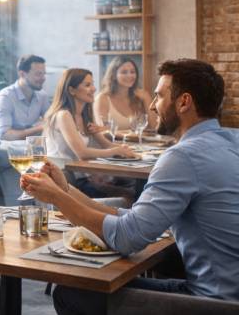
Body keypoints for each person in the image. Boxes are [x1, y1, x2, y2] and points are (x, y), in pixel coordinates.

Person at [21, 59, 239, 314]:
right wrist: (66, 191)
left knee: (73, 293)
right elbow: (135, 221)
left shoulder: (183, 157)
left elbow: (126, 237)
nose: (152, 105)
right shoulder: (231, 141)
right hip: (229, 289)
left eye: (158, 96)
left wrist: (56, 198)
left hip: (214, 303)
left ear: (184, 102)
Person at [43, 68, 138, 198]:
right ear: (72, 90)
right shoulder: (63, 115)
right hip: (68, 180)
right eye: (87, 85)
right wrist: (115, 151)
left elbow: (107, 145)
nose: (93, 89)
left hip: (83, 176)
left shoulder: (85, 115)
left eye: (92, 84)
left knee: (134, 186)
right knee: (130, 194)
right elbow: (82, 153)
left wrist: (125, 150)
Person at [0, 55, 50, 204]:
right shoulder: (5, 98)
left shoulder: (42, 96)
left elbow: (50, 124)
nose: (43, 78)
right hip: (0, 155)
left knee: (49, 166)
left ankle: (46, 213)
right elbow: (6, 135)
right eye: (38, 73)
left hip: (27, 151)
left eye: (44, 73)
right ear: (22, 74)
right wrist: (37, 128)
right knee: (39, 168)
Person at [93, 56, 157, 131]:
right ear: (113, 75)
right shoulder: (102, 98)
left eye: (132, 72)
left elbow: (154, 126)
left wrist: (146, 98)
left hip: (139, 142)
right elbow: (103, 131)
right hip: (113, 142)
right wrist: (127, 136)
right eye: (124, 72)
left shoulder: (141, 96)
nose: (129, 75)